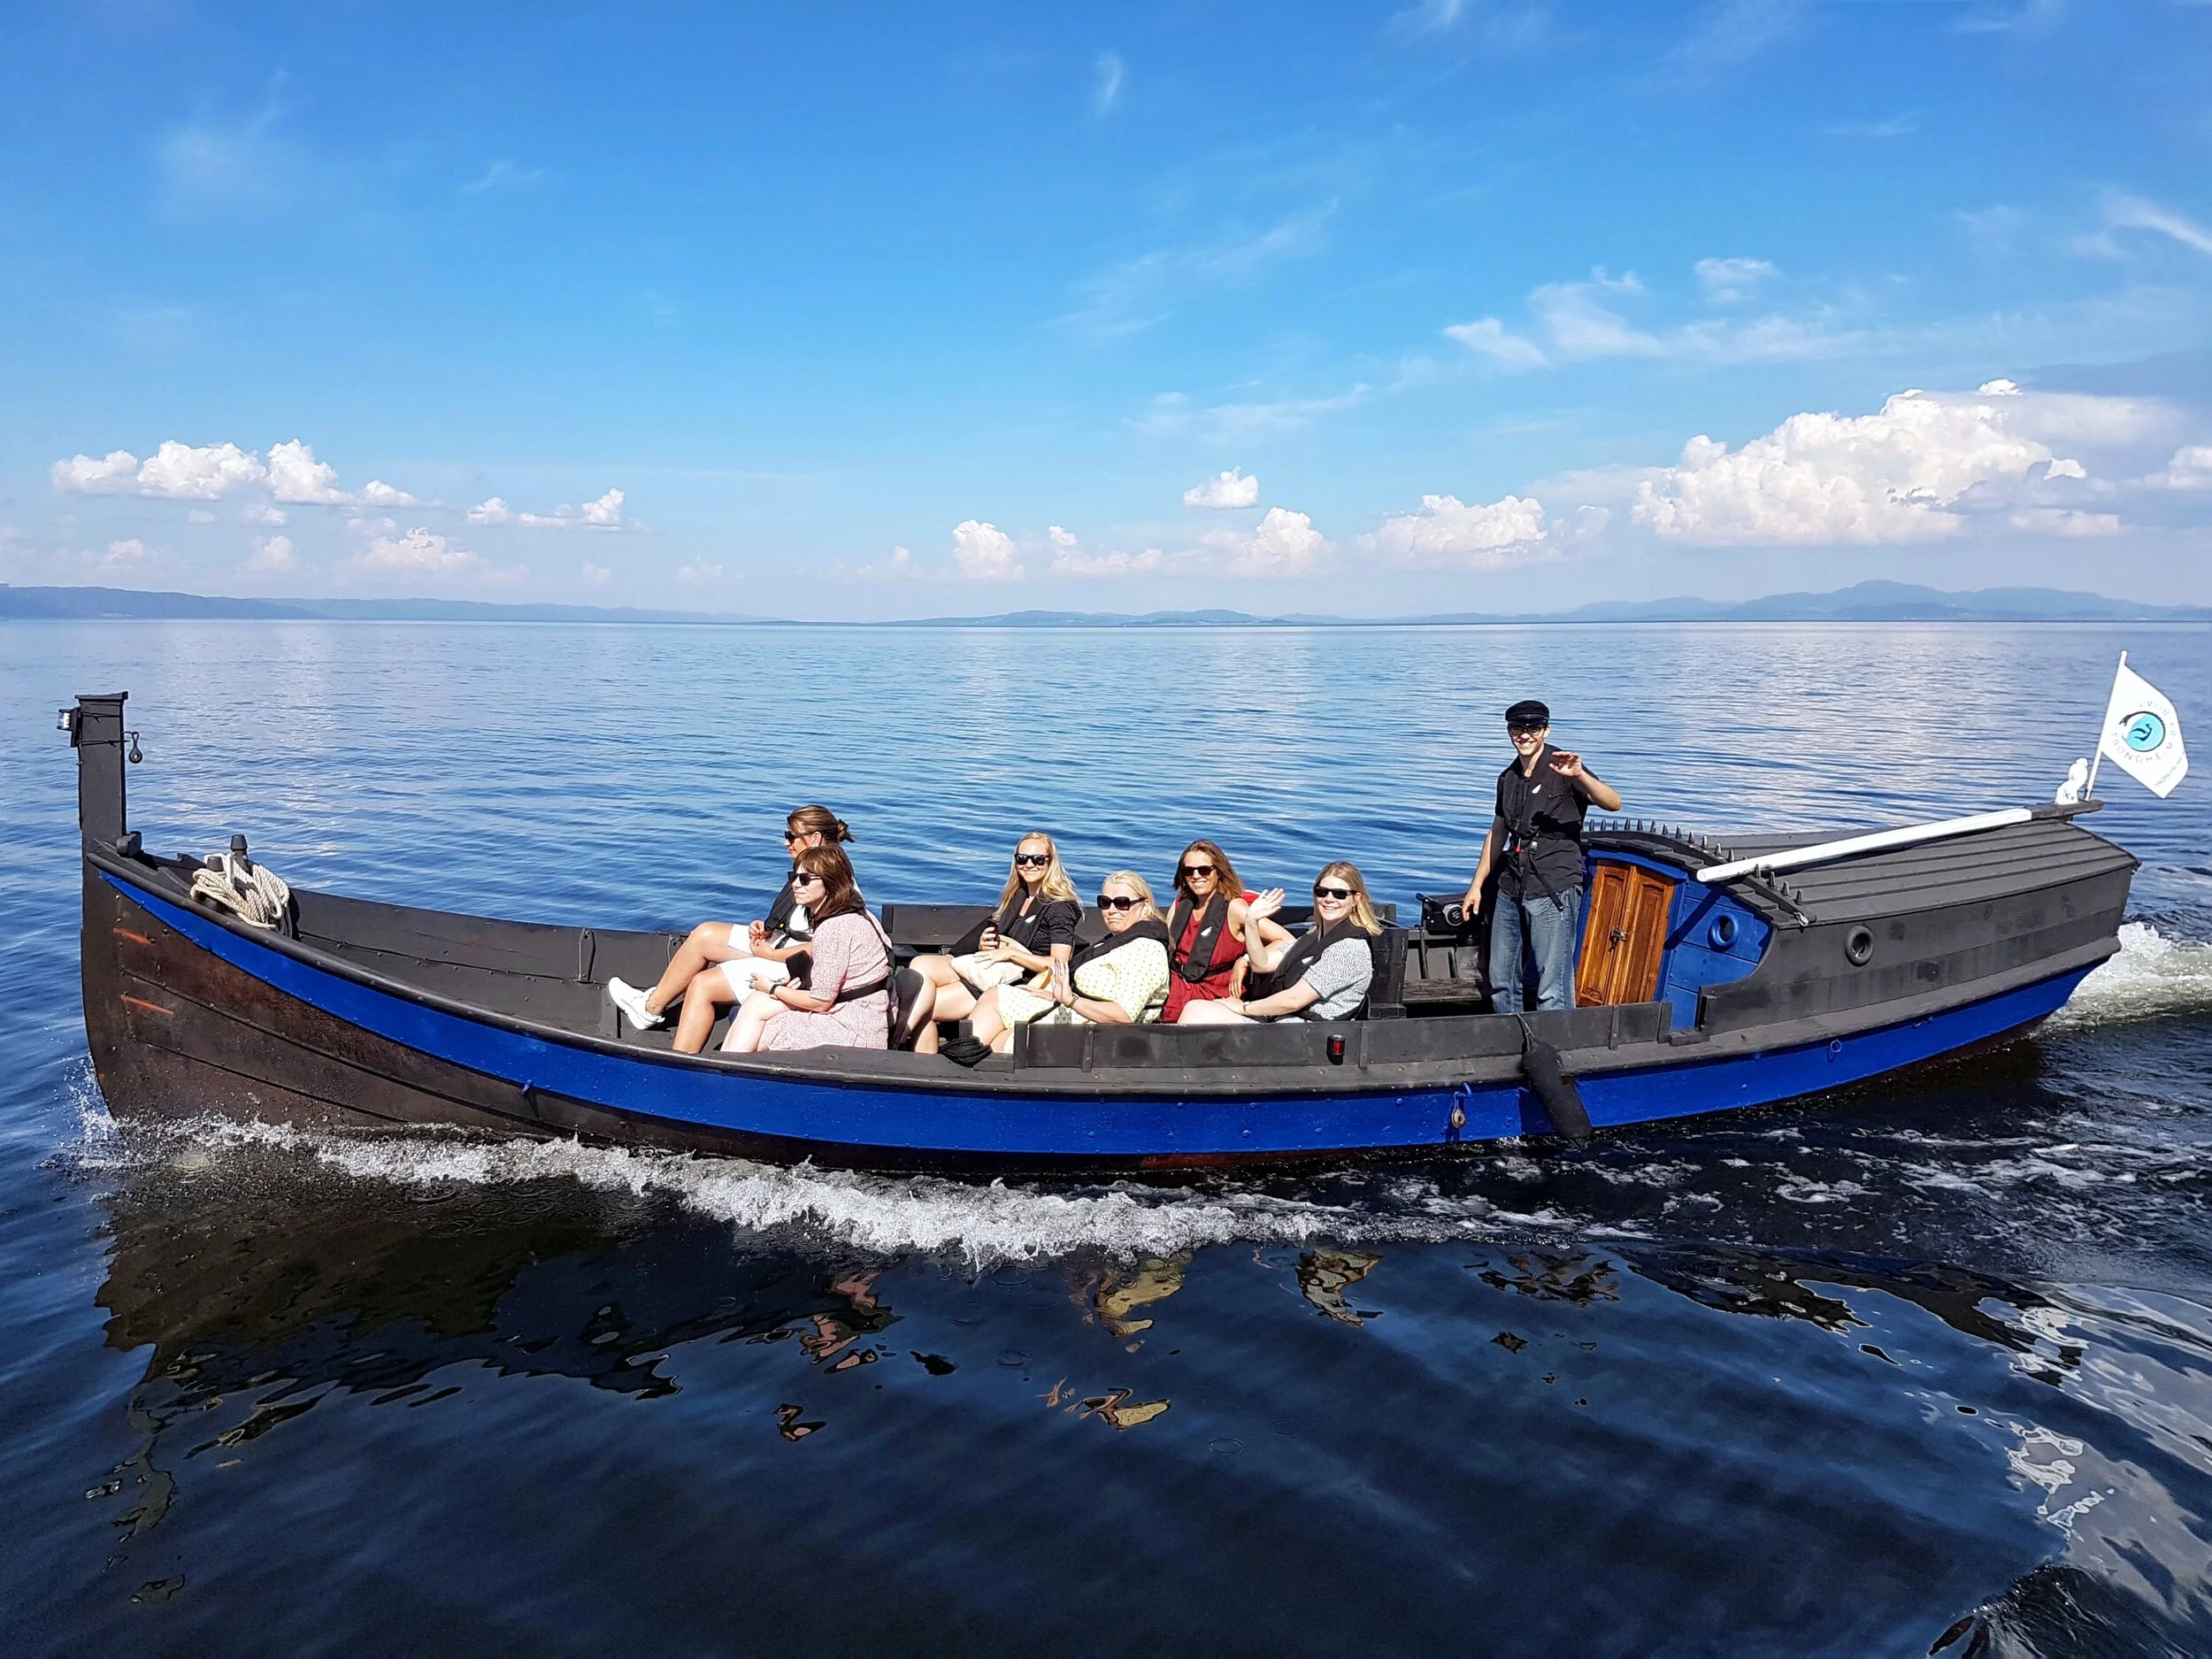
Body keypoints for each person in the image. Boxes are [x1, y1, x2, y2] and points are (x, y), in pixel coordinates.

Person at [606, 804, 852, 1054]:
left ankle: (680, 1063)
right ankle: (649, 1009)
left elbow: (821, 946)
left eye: (791, 836)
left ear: (815, 838)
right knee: (705, 934)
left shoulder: (834, 883)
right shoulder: (810, 868)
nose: (785, 842)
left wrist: (768, 954)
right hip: (779, 945)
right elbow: (798, 920)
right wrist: (767, 928)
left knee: (703, 985)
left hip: (798, 967)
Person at [1459, 699, 1622, 1014]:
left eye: (1533, 728)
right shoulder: (1508, 778)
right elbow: (1497, 832)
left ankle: (1557, 1050)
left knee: (1553, 985)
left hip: (1553, 885)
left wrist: (1580, 776)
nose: (1525, 735)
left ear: (1546, 731)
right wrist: (1476, 886)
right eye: (1518, 729)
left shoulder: (1565, 767)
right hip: (1512, 884)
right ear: (1509, 732)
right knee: (1501, 978)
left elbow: (1614, 803)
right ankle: (1511, 1041)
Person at [901, 833, 1084, 1054]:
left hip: (1015, 980)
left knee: (924, 1009)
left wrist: (1011, 955)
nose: (1029, 865)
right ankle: (902, 1035)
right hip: (991, 967)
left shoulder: (1060, 907)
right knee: (921, 964)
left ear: (1050, 862)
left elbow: (1058, 964)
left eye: (1037, 859)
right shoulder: (1018, 896)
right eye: (1022, 859)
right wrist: (985, 944)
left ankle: (913, 1052)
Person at [965, 871, 1172, 1055]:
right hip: (1076, 1012)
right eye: (1105, 902)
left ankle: (969, 1069)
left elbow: (1123, 1016)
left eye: (1122, 903)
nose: (1111, 910)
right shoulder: (1122, 941)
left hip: (1098, 1033)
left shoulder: (1145, 950)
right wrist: (1056, 995)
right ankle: (965, 1056)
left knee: (1005, 1040)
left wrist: (1071, 1000)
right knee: (997, 996)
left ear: (1144, 905)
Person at [724, 843, 893, 1053]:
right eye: (793, 877)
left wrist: (772, 988)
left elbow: (821, 1002)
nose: (795, 884)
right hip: (862, 1014)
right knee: (757, 1004)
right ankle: (729, 1064)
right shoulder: (860, 915)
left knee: (759, 1023)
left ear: (831, 883)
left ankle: (728, 1070)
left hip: (852, 1029)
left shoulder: (834, 928)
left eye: (804, 879)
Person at [1179, 862, 1381, 1024]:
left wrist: (1243, 1008)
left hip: (1307, 1036)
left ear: (1356, 899)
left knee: (1197, 1013)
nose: (1329, 899)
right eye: (1322, 892)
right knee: (1197, 1007)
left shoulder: (1347, 948)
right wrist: (1251, 921)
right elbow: (1262, 963)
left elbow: (1293, 1000)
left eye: (1339, 894)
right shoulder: (1314, 937)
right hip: (1282, 1026)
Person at [1160, 839, 1289, 1024]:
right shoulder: (1182, 903)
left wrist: (1245, 961)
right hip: (1176, 984)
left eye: (1204, 870)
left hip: (1212, 992)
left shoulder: (1234, 908)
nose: (1196, 876)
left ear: (1218, 871)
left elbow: (1286, 940)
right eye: (1189, 871)